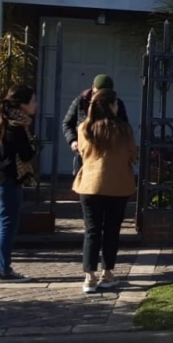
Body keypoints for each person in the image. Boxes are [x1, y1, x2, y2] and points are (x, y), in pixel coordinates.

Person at [73, 88, 137, 294]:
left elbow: (82, 151)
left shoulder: (85, 127)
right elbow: (132, 154)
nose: (117, 106)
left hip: (90, 184)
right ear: (110, 105)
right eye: (115, 103)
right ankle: (107, 272)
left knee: (92, 231)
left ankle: (89, 276)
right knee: (111, 230)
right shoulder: (123, 130)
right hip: (117, 185)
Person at [0, 85, 38, 283]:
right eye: (33, 101)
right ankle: (2, 270)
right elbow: (26, 154)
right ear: (22, 104)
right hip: (6, 179)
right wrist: (34, 147)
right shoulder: (16, 126)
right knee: (7, 224)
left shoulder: (3, 120)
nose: (35, 105)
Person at [63, 74, 128, 175]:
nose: (101, 97)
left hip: (108, 155)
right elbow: (67, 123)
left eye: (105, 94)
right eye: (99, 93)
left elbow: (124, 128)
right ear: (93, 88)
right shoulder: (82, 101)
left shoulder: (116, 104)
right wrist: (73, 141)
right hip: (85, 153)